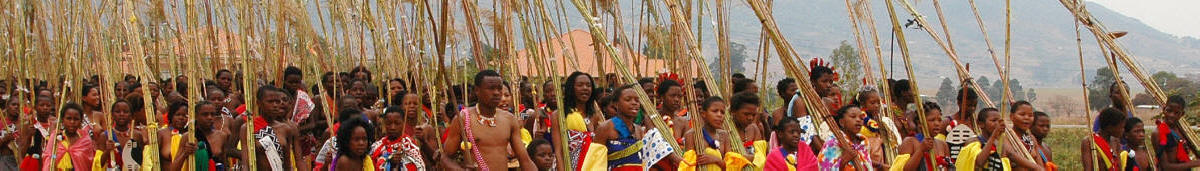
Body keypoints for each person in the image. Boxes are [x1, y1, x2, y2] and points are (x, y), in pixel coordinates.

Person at [440, 70, 536, 171]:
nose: (496, 93)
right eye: (491, 88)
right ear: (477, 90)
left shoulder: (509, 119)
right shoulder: (463, 119)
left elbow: (525, 160)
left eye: (499, 89)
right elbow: (445, 157)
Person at [236, 86, 302, 170]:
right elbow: (246, 163)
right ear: (259, 103)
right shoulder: (248, 128)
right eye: (270, 101)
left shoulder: (286, 129)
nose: (275, 105)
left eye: (277, 101)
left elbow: (287, 164)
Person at [553, 71, 603, 170]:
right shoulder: (559, 115)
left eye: (588, 85)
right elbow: (558, 151)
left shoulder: (594, 116)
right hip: (568, 166)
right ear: (571, 88)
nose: (585, 88)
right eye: (580, 85)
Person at [594, 85, 648, 170]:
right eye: (628, 100)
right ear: (616, 104)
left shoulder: (639, 130)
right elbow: (596, 162)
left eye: (637, 100)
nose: (634, 103)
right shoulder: (605, 128)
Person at [41, 102, 104, 170]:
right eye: (69, 118)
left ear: (81, 121)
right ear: (62, 120)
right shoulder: (55, 137)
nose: (72, 122)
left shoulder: (85, 140)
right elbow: (48, 157)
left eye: (76, 119)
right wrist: (55, 157)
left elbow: (91, 163)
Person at [892, 102, 951, 170]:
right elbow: (904, 169)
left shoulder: (943, 145)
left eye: (939, 120)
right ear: (920, 122)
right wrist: (921, 150)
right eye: (932, 120)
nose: (937, 123)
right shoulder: (910, 142)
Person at [370, 106, 429, 170]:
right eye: (389, 123)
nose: (393, 127)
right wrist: (390, 162)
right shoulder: (377, 146)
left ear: (403, 123)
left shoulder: (409, 145)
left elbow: (419, 167)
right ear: (384, 124)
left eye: (397, 123)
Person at [1154, 95, 1200, 170]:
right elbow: (1165, 167)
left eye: (1176, 113)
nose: (1172, 115)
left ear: (1182, 114)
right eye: (1169, 111)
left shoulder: (1182, 130)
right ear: (1164, 109)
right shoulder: (1158, 133)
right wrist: (1194, 163)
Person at [818, 105, 870, 170]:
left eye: (861, 118)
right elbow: (823, 168)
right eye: (853, 116)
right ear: (842, 122)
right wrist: (843, 161)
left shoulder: (864, 143)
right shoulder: (834, 142)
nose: (858, 120)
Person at [106, 99, 147, 170]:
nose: (121, 114)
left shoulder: (137, 135)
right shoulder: (106, 135)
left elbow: (143, 161)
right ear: (112, 115)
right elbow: (98, 164)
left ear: (131, 115)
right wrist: (107, 151)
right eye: (117, 111)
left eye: (126, 112)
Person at [1010, 101, 1050, 170]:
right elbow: (1011, 155)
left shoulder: (1031, 138)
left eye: (1030, 115)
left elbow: (1040, 165)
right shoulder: (1006, 137)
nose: (1027, 118)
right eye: (1022, 114)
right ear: (1011, 116)